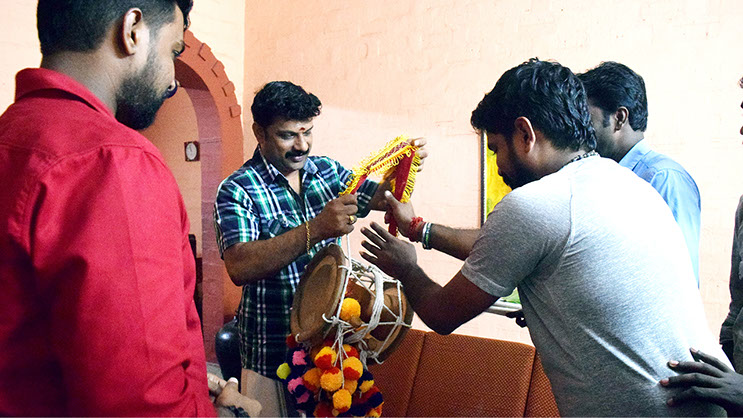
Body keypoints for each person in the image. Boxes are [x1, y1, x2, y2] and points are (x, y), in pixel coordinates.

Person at [359, 58, 726, 416]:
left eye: (496, 149)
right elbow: (501, 248)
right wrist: (417, 228)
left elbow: (442, 314)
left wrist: (406, 268)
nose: (498, 166)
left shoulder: (533, 205)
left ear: (525, 134)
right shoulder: (630, 184)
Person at [0, 1, 215, 415]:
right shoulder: (114, 159)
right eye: (173, 51)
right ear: (132, 30)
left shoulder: (12, 136)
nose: (173, 81)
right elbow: (139, 404)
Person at [213, 80, 426, 414]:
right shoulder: (237, 189)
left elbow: (382, 198)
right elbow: (240, 266)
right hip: (270, 354)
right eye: (287, 135)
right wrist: (316, 228)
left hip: (332, 350)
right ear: (259, 133)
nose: (302, 145)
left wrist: (401, 174)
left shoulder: (327, 171)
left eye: (308, 132)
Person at [578, 62, 701, 285]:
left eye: (588, 120)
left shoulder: (663, 178)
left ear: (619, 118)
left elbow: (681, 277)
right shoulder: (600, 177)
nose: (582, 131)